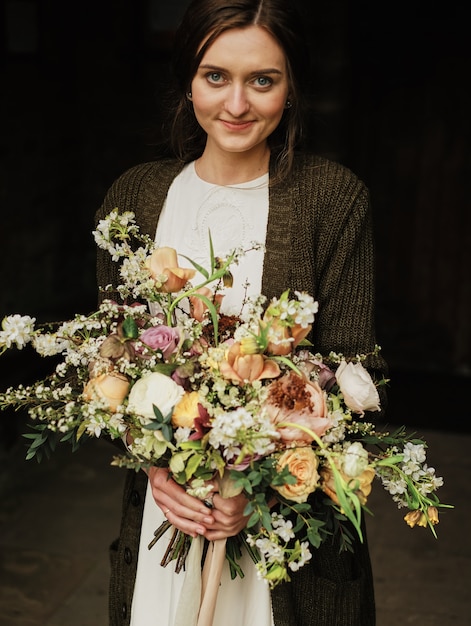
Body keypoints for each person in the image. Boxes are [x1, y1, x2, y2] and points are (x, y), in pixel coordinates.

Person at [95, 1, 387, 624]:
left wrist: (258, 496)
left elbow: (356, 372)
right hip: (167, 511)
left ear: (291, 89)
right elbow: (111, 362)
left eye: (262, 80)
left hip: (282, 531)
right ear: (188, 82)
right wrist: (158, 465)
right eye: (215, 77)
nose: (236, 104)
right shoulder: (135, 196)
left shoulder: (334, 200)